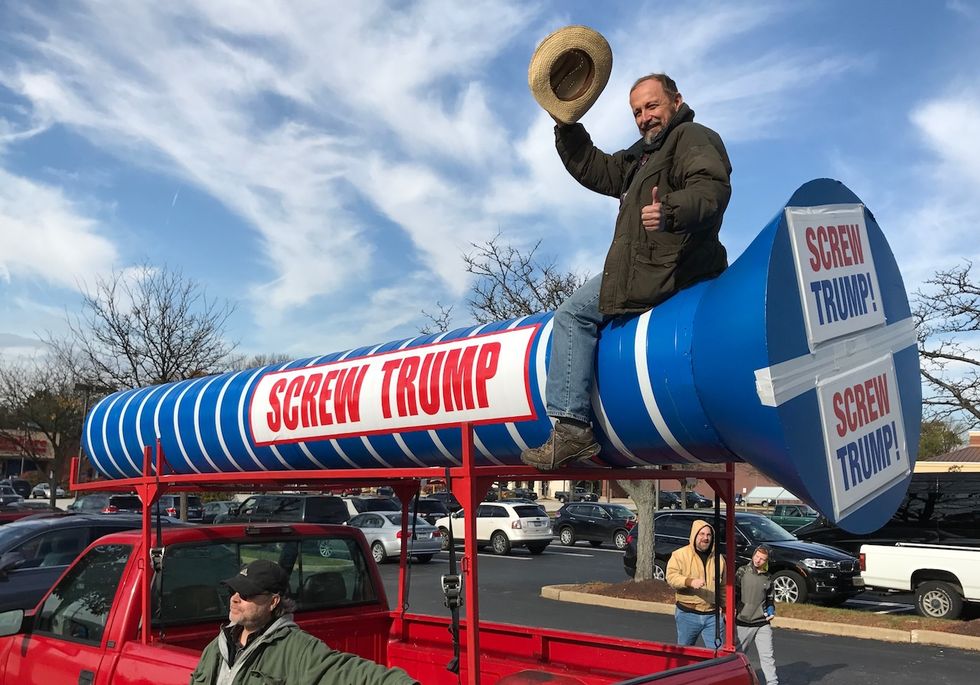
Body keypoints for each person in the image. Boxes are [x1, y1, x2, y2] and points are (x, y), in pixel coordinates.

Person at [520, 72, 732, 470]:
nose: (644, 117)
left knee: (572, 314)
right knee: (576, 312)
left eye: (652, 106)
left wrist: (670, 211)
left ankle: (571, 429)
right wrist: (567, 126)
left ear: (676, 100)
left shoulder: (692, 138)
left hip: (670, 267)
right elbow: (596, 168)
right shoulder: (642, 158)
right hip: (644, 267)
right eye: (637, 111)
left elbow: (712, 190)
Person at [189, 559, 418, 685]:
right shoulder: (218, 646)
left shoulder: (297, 649)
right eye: (234, 590)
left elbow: (349, 672)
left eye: (247, 594)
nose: (235, 598)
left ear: (273, 602)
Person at [665, 519, 726, 647]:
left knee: (717, 656)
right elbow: (671, 577)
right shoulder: (680, 555)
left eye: (709, 535)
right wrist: (689, 581)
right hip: (688, 613)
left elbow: (723, 586)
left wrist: (725, 608)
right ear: (694, 535)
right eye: (702, 534)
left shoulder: (718, 559)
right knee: (685, 652)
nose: (705, 538)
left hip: (712, 615)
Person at [735, 545, 778, 685]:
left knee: (768, 656)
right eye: (757, 556)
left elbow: (770, 598)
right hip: (743, 621)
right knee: (737, 656)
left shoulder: (768, 577)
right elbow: (734, 593)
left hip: (762, 622)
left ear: (767, 561)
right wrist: (731, 611)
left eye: (762, 559)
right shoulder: (742, 571)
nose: (758, 560)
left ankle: (773, 682)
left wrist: (771, 610)